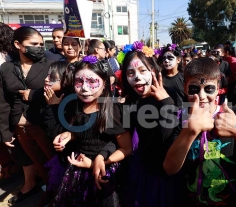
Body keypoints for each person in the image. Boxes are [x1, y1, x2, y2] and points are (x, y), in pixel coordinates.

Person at [163, 58, 236, 206]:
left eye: (208, 88)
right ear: (185, 88)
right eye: (194, 88)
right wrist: (189, 132)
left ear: (218, 88)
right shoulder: (179, 119)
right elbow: (170, 168)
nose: (202, 96)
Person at [51, 55, 132, 206]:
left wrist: (98, 162)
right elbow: (86, 131)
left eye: (92, 81)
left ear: (105, 83)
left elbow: (126, 148)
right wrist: (69, 136)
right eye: (79, 81)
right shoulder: (73, 105)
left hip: (104, 172)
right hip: (77, 171)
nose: (84, 88)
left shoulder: (114, 111)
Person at [120, 41, 182, 207]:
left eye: (142, 71)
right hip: (140, 172)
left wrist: (166, 103)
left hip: (163, 173)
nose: (137, 77)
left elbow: (166, 137)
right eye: (131, 73)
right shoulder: (129, 103)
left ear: (153, 71)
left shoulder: (168, 98)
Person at [0, 26, 55, 204]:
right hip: (20, 129)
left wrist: (34, 94)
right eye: (33, 44)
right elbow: (3, 102)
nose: (39, 47)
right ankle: (51, 194)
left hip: (43, 125)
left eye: (41, 44)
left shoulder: (49, 65)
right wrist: (5, 132)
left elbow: (58, 93)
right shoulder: (6, 68)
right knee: (39, 164)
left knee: (54, 164)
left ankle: (62, 195)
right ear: (18, 44)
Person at [160, 43, 185, 109]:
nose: (166, 61)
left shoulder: (185, 76)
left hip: (184, 115)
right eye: (164, 58)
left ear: (178, 60)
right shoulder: (160, 78)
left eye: (170, 58)